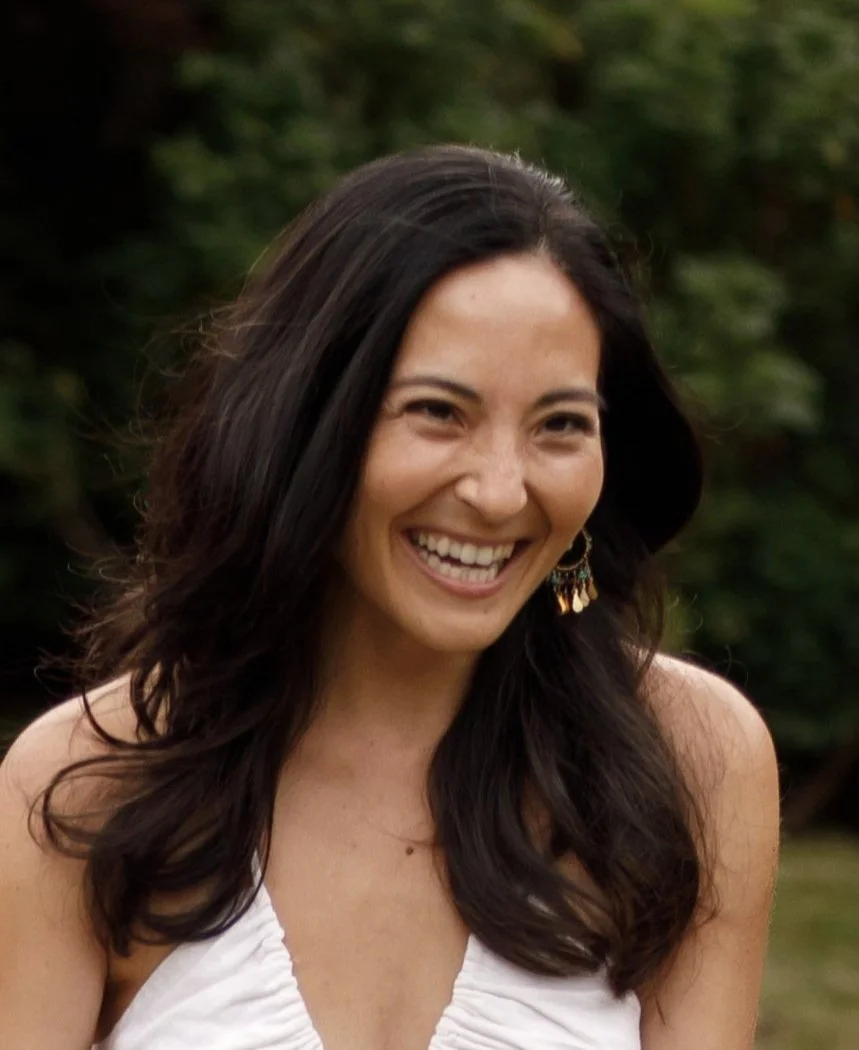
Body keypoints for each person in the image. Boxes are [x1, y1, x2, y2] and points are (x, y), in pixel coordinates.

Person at [0, 145, 779, 1050]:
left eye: (560, 425)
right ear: (306, 423)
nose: (500, 491)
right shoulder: (88, 788)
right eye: (438, 412)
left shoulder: (688, 763)